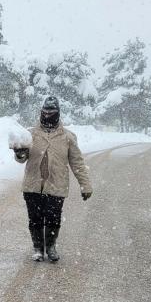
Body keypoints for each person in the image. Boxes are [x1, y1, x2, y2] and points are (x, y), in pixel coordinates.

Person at [13, 96, 93, 262]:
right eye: (45, 111)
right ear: (41, 112)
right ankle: (37, 248)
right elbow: (22, 159)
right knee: (35, 218)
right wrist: (19, 153)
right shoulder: (30, 134)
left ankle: (50, 246)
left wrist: (85, 185)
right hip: (33, 185)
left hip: (57, 186)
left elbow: (77, 163)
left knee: (53, 218)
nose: (48, 114)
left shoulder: (68, 137)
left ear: (58, 113)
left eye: (52, 112)